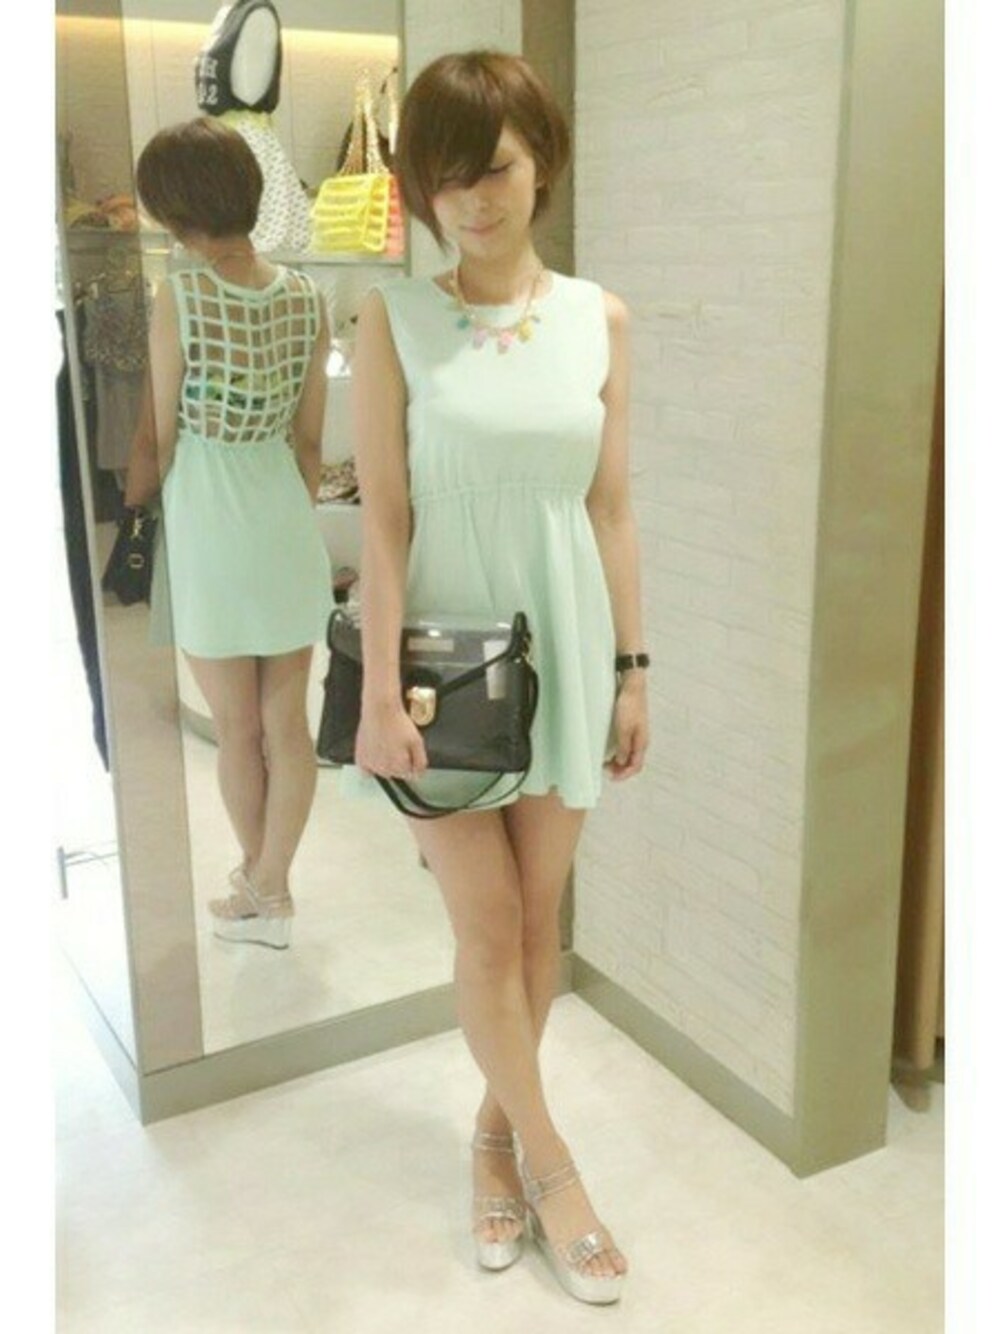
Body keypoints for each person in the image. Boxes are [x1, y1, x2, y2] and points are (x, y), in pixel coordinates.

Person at [348, 51, 648, 1303]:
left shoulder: (598, 318)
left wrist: (631, 669)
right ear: (421, 190)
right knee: (484, 926)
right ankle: (555, 1166)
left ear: (542, 166)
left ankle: (490, 1138)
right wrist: (376, 690)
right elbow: (384, 519)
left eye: (497, 168)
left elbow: (611, 508)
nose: (472, 198)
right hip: (442, 673)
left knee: (535, 925)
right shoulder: (391, 319)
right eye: (446, 176)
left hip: (566, 650)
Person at [128, 117, 332, 949]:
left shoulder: (180, 295)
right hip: (282, 520)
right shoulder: (308, 298)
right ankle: (266, 882)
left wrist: (139, 503)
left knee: (236, 730)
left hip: (209, 528)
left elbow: (158, 436)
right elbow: (310, 443)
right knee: (288, 727)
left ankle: (262, 884)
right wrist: (291, 513)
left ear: (174, 210)